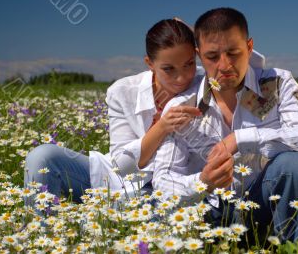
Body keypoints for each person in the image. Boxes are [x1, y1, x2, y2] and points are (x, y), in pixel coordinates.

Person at [23, 18, 265, 204]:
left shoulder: (207, 83)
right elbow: (120, 165)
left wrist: (205, 37)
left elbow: (250, 66)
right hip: (114, 181)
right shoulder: (123, 92)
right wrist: (161, 127)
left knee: (156, 211)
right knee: (42, 157)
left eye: (189, 64)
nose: (182, 77)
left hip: (177, 191)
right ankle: (37, 234)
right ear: (149, 63)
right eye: (168, 69)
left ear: (198, 56)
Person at [149, 8, 298, 242]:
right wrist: (203, 182)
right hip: (211, 212)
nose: (225, 65)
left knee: (295, 165)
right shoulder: (183, 106)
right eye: (212, 57)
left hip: (263, 204)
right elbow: (162, 180)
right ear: (199, 55)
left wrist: (242, 139)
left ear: (249, 47)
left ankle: (293, 246)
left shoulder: (276, 84)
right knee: (153, 214)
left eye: (234, 53)